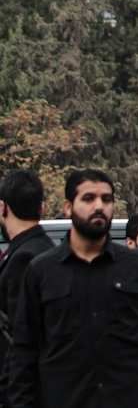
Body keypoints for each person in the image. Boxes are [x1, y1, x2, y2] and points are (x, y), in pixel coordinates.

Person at [8, 169, 138, 408]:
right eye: (88, 198)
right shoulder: (41, 271)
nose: (99, 206)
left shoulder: (137, 267)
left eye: (106, 199)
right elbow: (24, 352)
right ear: (68, 207)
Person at [0, 170, 55, 407]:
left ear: (3, 208)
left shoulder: (24, 258)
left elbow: (18, 339)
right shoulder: (45, 249)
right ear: (41, 208)